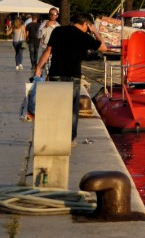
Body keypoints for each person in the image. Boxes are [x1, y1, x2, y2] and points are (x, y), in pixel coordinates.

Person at [33, 13, 107, 142]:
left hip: (56, 74)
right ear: (86, 24)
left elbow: (48, 50)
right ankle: (70, 139)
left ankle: (55, 135)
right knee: (72, 109)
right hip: (73, 76)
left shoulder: (58, 30)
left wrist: (39, 68)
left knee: (55, 106)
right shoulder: (84, 36)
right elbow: (103, 48)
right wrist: (95, 32)